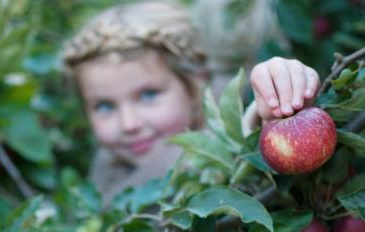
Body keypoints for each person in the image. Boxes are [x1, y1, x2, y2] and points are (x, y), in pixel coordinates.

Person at [62, 1, 320, 206]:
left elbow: (245, 144)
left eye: (148, 95)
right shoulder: (107, 166)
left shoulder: (221, 139)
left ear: (195, 85)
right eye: (105, 106)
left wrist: (279, 107)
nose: (128, 124)